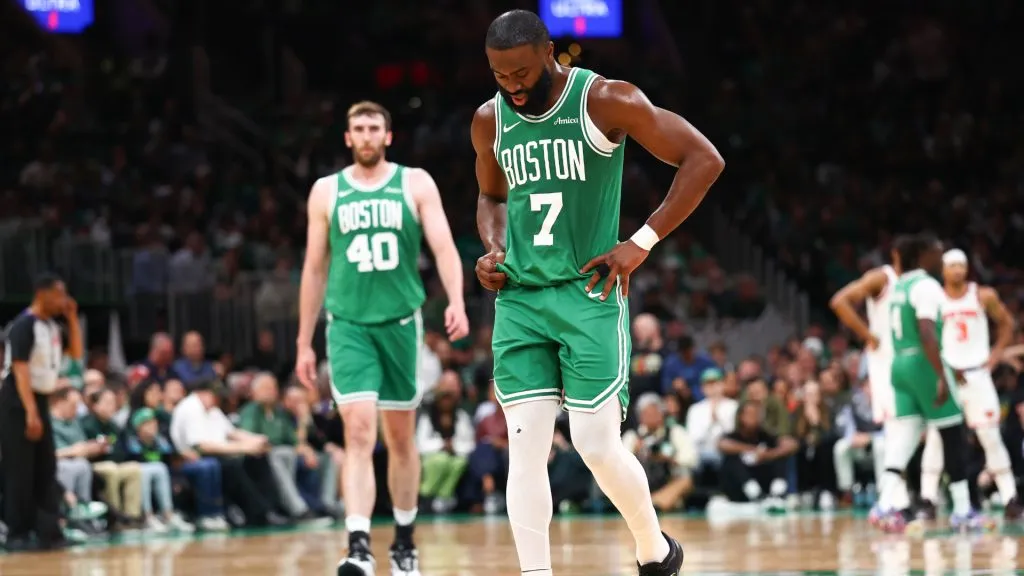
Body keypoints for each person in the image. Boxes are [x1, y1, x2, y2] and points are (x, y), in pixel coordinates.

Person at [471, 10, 723, 576]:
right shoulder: (489, 120)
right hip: (520, 299)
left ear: (550, 54)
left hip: (588, 292)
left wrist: (641, 241)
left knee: (594, 442)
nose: (510, 85)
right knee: (525, 447)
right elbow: (491, 198)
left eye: (520, 73)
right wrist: (493, 248)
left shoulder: (607, 100)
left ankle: (654, 549)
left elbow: (704, 159)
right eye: (498, 74)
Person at [295, 100, 469, 576]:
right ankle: (358, 546)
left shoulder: (415, 183)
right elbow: (313, 269)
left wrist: (454, 299)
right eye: (359, 128)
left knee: (400, 439)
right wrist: (303, 341)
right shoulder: (326, 192)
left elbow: (444, 246)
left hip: (400, 324)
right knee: (356, 430)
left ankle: (405, 540)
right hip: (348, 324)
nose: (367, 135)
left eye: (375, 127)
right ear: (348, 138)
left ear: (388, 136)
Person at [876, 233, 992, 533]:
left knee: (905, 437)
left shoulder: (900, 285)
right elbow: (927, 330)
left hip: (899, 362)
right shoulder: (926, 285)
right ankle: (964, 511)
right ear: (923, 255)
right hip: (922, 361)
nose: (941, 258)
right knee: (954, 434)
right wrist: (941, 374)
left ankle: (884, 504)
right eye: (937, 252)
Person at [916, 248, 1020, 519]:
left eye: (961, 266)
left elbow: (1008, 323)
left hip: (977, 374)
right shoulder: (935, 298)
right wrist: (941, 368)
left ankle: (1010, 496)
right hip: (947, 375)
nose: (957, 271)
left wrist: (995, 357)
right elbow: (925, 336)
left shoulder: (983, 295)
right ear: (943, 270)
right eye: (952, 266)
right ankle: (928, 498)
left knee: (990, 435)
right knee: (937, 439)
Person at [829, 236, 925, 523]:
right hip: (886, 363)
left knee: (907, 429)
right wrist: (868, 335)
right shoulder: (881, 277)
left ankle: (900, 499)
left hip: (909, 361)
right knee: (898, 428)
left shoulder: (918, 284)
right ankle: (891, 502)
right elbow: (840, 301)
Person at [0, 273, 78, 551]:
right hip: (17, 402)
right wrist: (31, 413)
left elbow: (76, 353)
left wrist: (71, 317)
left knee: (46, 467)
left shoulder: (52, 327)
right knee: (19, 470)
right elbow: (19, 370)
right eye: (60, 294)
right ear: (42, 294)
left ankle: (48, 531)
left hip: (41, 399)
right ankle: (17, 533)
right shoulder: (24, 324)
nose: (64, 300)